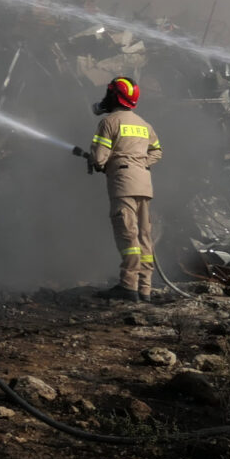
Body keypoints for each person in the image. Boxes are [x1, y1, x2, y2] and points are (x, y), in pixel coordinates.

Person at [85, 77, 162, 303]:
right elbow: (157, 151)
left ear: (114, 96)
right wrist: (140, 163)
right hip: (144, 184)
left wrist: (99, 161)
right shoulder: (144, 124)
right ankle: (144, 288)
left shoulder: (109, 122)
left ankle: (128, 285)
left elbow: (100, 158)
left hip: (123, 183)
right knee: (144, 236)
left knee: (127, 234)